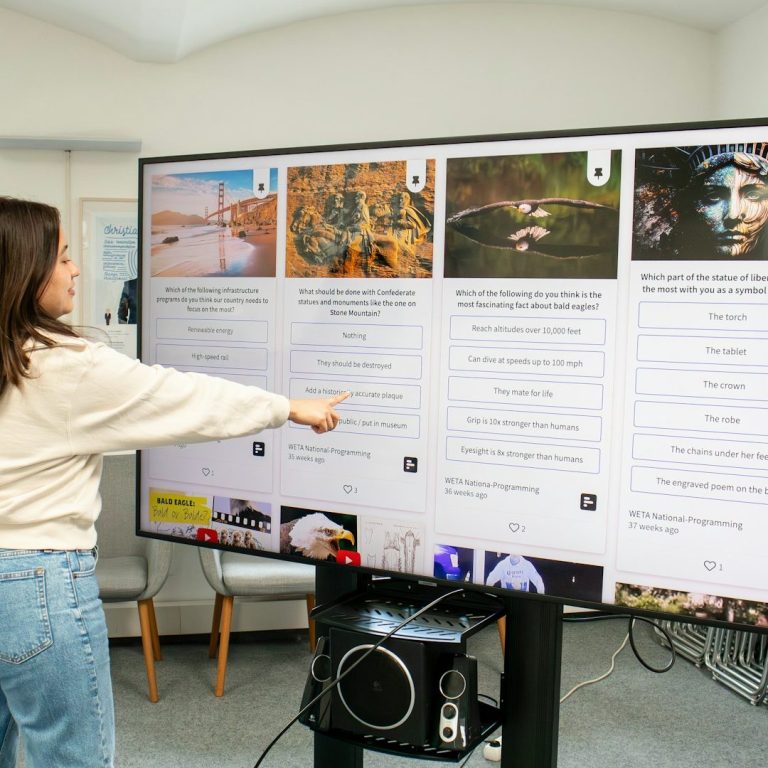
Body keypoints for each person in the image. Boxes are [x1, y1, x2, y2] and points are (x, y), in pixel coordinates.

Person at [0, 196, 348, 768]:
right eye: (61, 257)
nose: (75, 269)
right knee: (70, 757)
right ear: (24, 269)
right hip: (37, 583)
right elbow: (186, 398)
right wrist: (287, 407)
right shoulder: (65, 367)